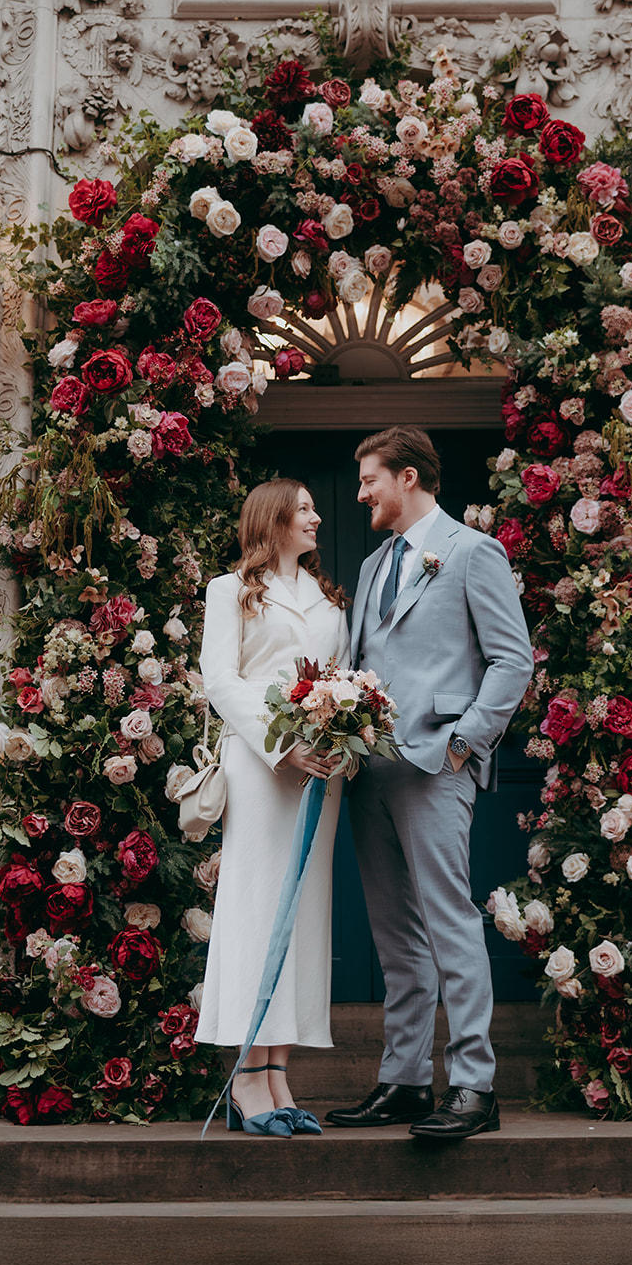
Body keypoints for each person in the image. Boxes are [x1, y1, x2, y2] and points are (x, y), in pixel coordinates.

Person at [327, 427, 534, 1140]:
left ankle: (475, 1086)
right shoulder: (375, 562)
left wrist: (461, 746)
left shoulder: (475, 553)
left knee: (449, 924)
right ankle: (407, 1081)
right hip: (370, 774)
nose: (360, 495)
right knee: (395, 938)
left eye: (369, 480)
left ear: (408, 477)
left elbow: (513, 663)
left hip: (434, 771)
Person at [197, 478, 349, 1135]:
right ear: (272, 517)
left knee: (304, 913)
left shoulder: (327, 596)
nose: (316, 515)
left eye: (316, 506)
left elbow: (341, 678)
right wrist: (278, 747)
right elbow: (220, 679)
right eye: (305, 506)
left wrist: (343, 736)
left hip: (321, 769)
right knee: (258, 911)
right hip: (262, 766)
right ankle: (246, 1077)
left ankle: (278, 1071)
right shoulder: (228, 591)